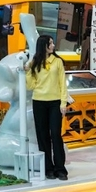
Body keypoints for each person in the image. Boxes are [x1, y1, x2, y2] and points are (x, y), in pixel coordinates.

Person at [26, 34, 68, 180]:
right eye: (50, 43)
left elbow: (63, 83)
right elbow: (31, 86)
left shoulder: (58, 62)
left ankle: (60, 169)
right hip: (39, 102)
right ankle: (48, 168)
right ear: (43, 46)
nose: (53, 45)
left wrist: (63, 103)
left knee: (56, 134)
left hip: (55, 102)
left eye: (52, 43)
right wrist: (28, 71)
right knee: (42, 136)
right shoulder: (35, 63)